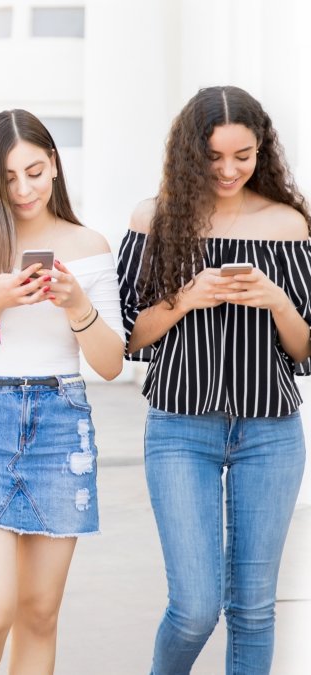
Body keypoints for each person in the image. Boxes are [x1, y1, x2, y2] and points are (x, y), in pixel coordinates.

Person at [117, 85, 311, 674]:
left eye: (243, 155)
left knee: (252, 609)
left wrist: (277, 300)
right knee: (195, 607)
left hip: (270, 433)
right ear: (187, 152)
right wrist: (187, 298)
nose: (229, 170)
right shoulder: (155, 219)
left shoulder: (290, 224)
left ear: (262, 151)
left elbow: (305, 347)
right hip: (180, 430)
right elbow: (127, 335)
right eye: (213, 157)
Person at [0, 109, 125, 674]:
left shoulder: (89, 246)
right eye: (7, 178)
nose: (23, 189)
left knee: (39, 613)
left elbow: (110, 365)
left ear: (55, 165)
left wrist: (77, 304)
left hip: (62, 422)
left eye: (34, 171)